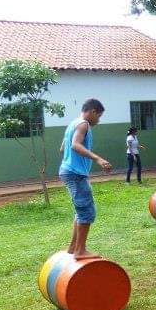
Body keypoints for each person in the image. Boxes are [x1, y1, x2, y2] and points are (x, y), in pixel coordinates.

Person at [58, 99, 112, 259]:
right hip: (75, 173)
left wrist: (72, 160)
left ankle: (73, 247)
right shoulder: (83, 124)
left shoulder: (72, 124)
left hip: (68, 171)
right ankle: (80, 251)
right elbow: (75, 145)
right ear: (93, 111)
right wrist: (97, 159)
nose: (98, 121)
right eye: (99, 116)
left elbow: (62, 148)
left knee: (81, 210)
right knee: (87, 212)